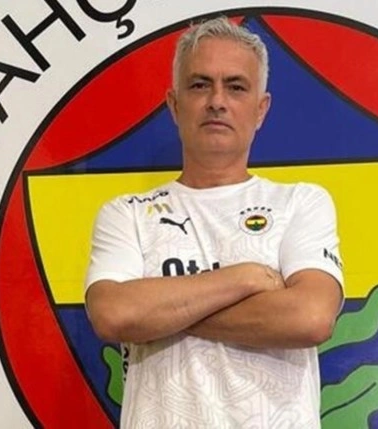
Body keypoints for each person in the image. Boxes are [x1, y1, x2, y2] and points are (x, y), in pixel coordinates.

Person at [84, 16, 344, 428]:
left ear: (261, 109)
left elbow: (310, 316)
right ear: (174, 105)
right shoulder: (126, 213)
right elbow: (113, 314)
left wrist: (162, 314)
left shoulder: (300, 202)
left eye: (236, 86)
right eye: (200, 85)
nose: (217, 101)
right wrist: (246, 278)